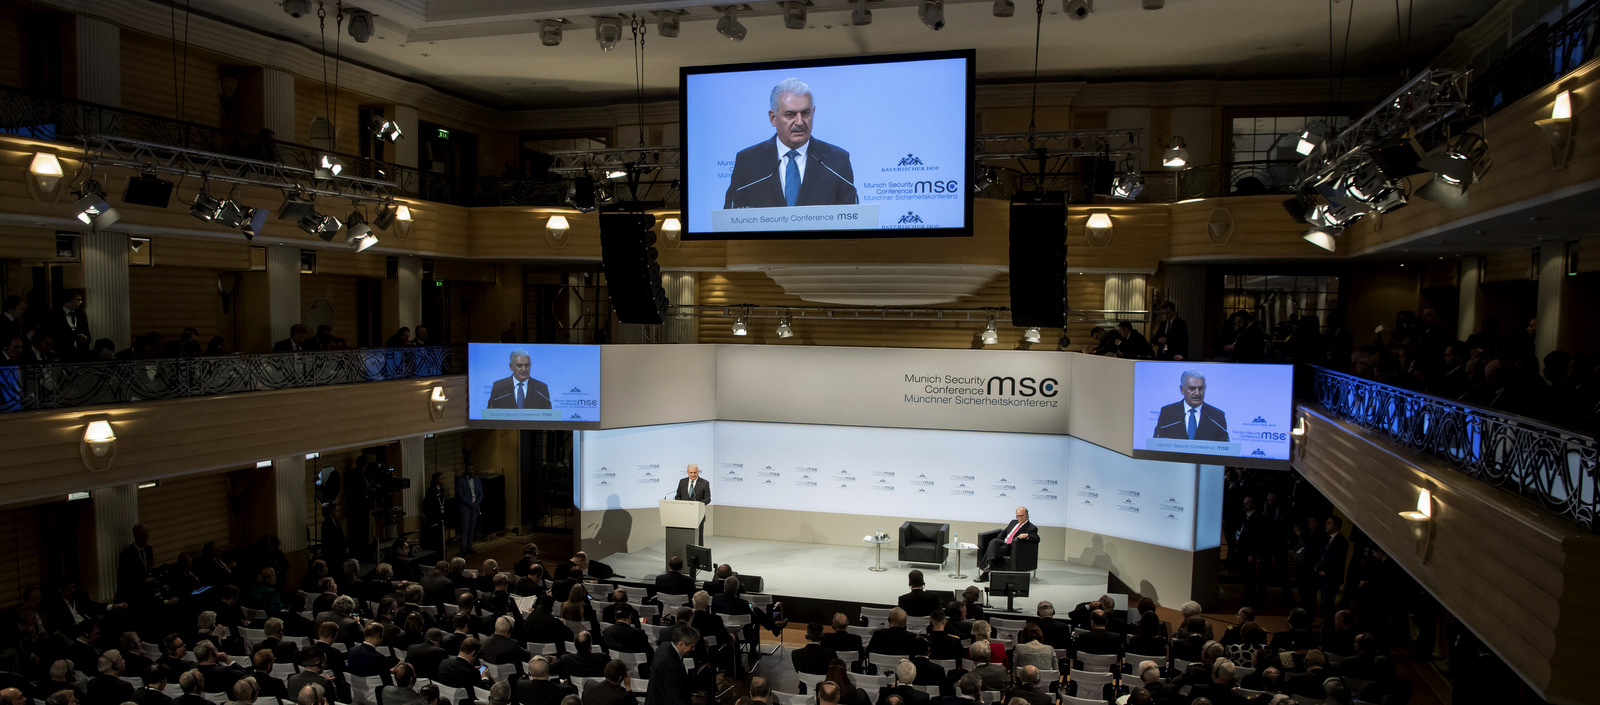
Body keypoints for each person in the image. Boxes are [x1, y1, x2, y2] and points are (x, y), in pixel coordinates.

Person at [723, 78, 857, 209]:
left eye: (805, 113)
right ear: (773, 118)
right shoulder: (748, 161)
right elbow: (730, 219)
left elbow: (853, 219)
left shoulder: (837, 161)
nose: (799, 122)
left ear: (813, 113)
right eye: (790, 115)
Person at [1152, 368, 1229, 441]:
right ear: (1182, 389)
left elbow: (1225, 448)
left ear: (1205, 388)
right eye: (1192, 388)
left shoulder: (1217, 416)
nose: (1197, 393)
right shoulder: (1167, 413)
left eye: (1201, 388)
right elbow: (1157, 444)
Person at [978, 507, 1038, 581]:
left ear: (1027, 515)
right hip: (1004, 542)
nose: (1020, 518)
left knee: (991, 550)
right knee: (994, 542)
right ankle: (989, 566)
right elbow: (1004, 532)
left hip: (1012, 547)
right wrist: (998, 540)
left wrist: (1027, 535)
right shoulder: (1013, 522)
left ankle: (985, 573)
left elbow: (1037, 539)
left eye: (1022, 516)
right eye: (1018, 516)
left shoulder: (1031, 527)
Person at [645, 623, 698, 705]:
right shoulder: (671, 665)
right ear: (681, 644)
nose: (693, 649)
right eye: (692, 646)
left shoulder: (664, 645)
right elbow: (673, 695)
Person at [456, 465, 485, 557]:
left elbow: (481, 493)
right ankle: (463, 548)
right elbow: (460, 494)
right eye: (468, 469)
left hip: (476, 507)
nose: (470, 471)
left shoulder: (477, 480)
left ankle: (470, 547)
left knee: (472, 528)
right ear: (465, 470)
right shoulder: (460, 480)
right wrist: (470, 503)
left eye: (472, 469)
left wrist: (477, 502)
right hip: (465, 507)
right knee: (465, 528)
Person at [51, 289, 89, 358]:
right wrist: (74, 337)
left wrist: (85, 338)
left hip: (80, 355)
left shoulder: (81, 315)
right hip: (62, 355)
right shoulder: (55, 315)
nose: (81, 302)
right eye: (77, 300)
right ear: (69, 299)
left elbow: (88, 334)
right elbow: (55, 336)